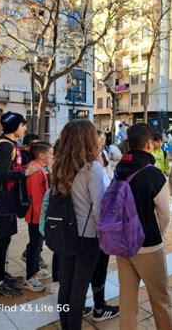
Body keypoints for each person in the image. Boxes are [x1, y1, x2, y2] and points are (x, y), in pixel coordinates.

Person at [114, 123, 172, 330]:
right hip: (148, 245)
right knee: (160, 299)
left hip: (122, 243)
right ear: (150, 144)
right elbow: (165, 215)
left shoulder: (119, 169)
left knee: (127, 298)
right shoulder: (154, 174)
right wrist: (156, 232)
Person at [51, 120, 105, 330]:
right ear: (88, 139)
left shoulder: (58, 166)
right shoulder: (92, 169)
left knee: (66, 286)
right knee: (79, 289)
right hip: (88, 236)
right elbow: (99, 209)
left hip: (65, 233)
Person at [0, 111, 41, 296]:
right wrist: (23, 173)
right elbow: (1, 175)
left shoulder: (9, 144)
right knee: (3, 240)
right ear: (14, 127)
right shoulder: (5, 147)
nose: (25, 128)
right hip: (3, 202)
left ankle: (2, 275)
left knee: (6, 239)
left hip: (7, 201)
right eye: (22, 125)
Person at [82, 130, 120, 322]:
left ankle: (79, 307)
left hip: (76, 228)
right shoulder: (92, 167)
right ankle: (99, 308)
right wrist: (106, 228)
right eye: (97, 141)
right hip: (94, 228)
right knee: (97, 268)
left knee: (80, 272)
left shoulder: (69, 163)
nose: (101, 144)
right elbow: (98, 204)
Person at [22, 142, 53, 292]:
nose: (52, 156)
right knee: (34, 246)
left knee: (37, 244)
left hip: (38, 214)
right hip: (36, 215)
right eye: (51, 153)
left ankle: (35, 270)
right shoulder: (35, 171)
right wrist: (43, 216)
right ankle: (30, 277)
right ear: (42, 155)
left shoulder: (39, 168)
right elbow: (37, 197)